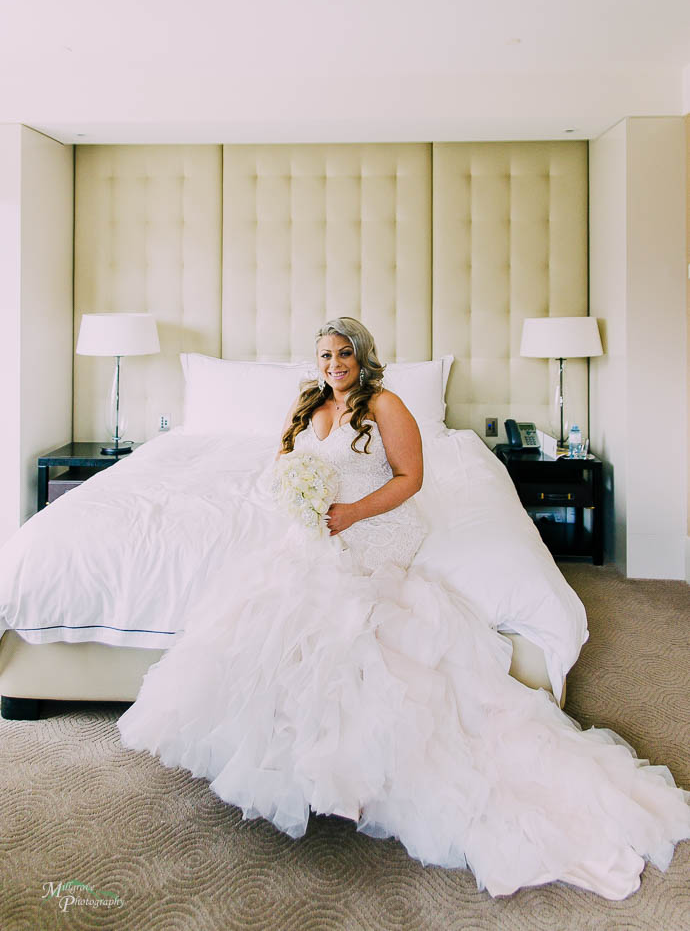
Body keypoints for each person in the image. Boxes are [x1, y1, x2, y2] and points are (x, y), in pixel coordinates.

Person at [118, 316, 690, 900]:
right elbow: (289, 465)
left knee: (342, 612)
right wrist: (299, 499)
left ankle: (352, 768)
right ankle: (295, 757)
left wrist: (351, 514)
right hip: (321, 527)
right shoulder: (308, 404)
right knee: (273, 602)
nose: (334, 364)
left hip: (375, 528)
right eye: (324, 355)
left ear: (362, 357)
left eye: (343, 353)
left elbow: (411, 478)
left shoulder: (385, 404)